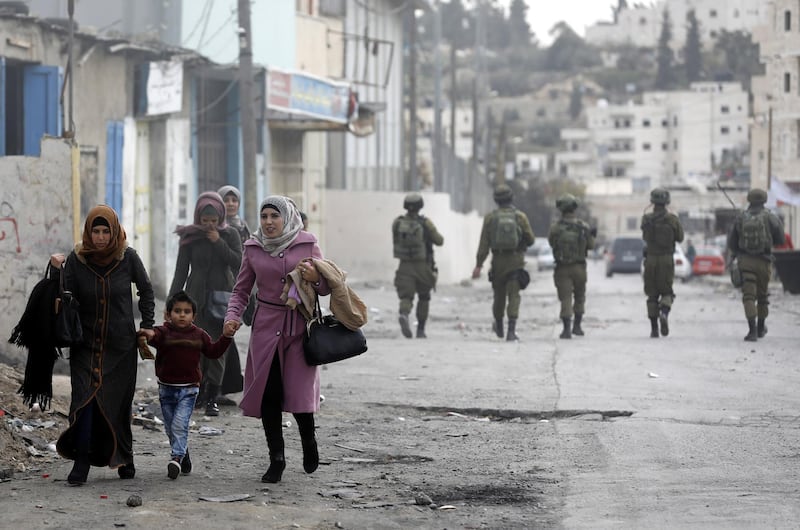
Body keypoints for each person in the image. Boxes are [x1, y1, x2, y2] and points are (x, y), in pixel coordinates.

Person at [223, 196, 328, 484]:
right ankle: (276, 459)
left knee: (299, 392)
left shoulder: (307, 243)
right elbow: (241, 290)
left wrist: (315, 276)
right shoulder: (253, 247)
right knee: (269, 394)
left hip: (298, 327)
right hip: (266, 327)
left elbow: (326, 287)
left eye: (274, 216)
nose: (268, 222)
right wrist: (232, 316)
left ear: (287, 217)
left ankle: (309, 441)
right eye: (264, 216)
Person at [48, 205, 155, 486]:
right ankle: (81, 460)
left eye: (105, 230)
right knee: (85, 402)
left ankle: (124, 456)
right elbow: (62, 294)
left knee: (118, 404)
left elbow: (146, 289)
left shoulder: (127, 257)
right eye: (95, 231)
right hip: (85, 345)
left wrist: (148, 323)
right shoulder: (77, 259)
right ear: (88, 232)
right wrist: (55, 271)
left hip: (120, 347)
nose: (100, 237)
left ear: (114, 231)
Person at [138, 291, 233, 479]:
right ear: (168, 314)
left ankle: (177, 458)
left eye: (187, 311)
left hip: (189, 389)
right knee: (169, 427)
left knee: (180, 424)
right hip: (166, 388)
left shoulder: (199, 335)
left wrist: (226, 337)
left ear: (193, 316)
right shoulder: (163, 333)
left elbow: (213, 352)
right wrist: (145, 334)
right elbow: (152, 334)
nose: (182, 315)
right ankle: (184, 454)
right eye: (177, 311)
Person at [169, 191, 242, 416]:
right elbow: (181, 270)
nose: (209, 225)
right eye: (204, 221)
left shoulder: (230, 234)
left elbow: (238, 262)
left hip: (222, 297)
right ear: (198, 218)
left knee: (218, 348)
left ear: (220, 217)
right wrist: (172, 301)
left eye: (213, 221)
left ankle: (213, 396)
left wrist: (218, 242)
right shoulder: (190, 237)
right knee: (196, 347)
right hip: (195, 298)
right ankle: (197, 393)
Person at [472, 184, 535, 341]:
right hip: (515, 261)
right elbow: (531, 239)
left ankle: (499, 326)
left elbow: (483, 244)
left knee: (498, 296)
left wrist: (479, 265)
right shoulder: (520, 217)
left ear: (495, 200)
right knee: (514, 295)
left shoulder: (490, 218)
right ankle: (511, 331)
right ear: (511, 197)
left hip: (498, 262)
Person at [727, 188, 785, 341]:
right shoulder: (770, 217)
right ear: (764, 200)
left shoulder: (741, 218)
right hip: (764, 262)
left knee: (749, 296)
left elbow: (732, 243)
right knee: (763, 296)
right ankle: (761, 327)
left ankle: (752, 331)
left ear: (749, 200)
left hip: (745, 262)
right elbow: (781, 239)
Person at [391, 193, 444, 338]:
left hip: (404, 265)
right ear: (420, 206)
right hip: (423, 266)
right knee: (424, 296)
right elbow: (439, 241)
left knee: (406, 297)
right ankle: (420, 330)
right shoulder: (425, 223)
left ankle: (404, 314)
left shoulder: (397, 223)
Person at [216, 185, 251, 404]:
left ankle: (223, 385)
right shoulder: (211, 226)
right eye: (226, 200)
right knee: (218, 336)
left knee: (224, 335)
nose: (230, 204)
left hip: (235, 287)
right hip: (215, 287)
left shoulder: (242, 228)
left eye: (234, 200)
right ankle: (218, 386)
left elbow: (246, 260)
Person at [547, 194, 596, 339]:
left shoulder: (555, 228)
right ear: (575, 208)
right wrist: (592, 236)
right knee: (580, 296)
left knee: (566, 298)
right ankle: (578, 327)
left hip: (562, 268)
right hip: (580, 268)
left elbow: (551, 243)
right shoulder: (583, 226)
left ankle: (566, 330)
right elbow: (591, 246)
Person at [641, 188, 684, 338]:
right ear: (667, 202)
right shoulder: (672, 219)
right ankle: (664, 314)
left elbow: (645, 237)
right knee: (667, 292)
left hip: (651, 259)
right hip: (666, 259)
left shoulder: (646, 219)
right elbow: (680, 238)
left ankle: (654, 329)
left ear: (652, 202)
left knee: (652, 295)